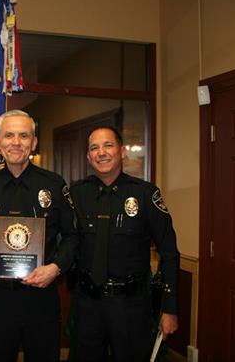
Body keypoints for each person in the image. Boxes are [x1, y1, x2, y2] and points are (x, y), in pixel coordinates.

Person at [0, 110, 78, 362]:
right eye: (8, 135)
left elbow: (73, 236)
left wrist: (55, 267)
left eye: (23, 135)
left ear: (33, 142)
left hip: (42, 298)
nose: (16, 142)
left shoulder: (54, 185)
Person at [70, 126, 180, 362]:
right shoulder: (76, 194)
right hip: (88, 305)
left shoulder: (145, 194)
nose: (102, 153)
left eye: (108, 145)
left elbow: (169, 254)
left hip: (131, 307)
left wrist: (169, 309)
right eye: (94, 148)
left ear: (121, 152)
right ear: (88, 157)